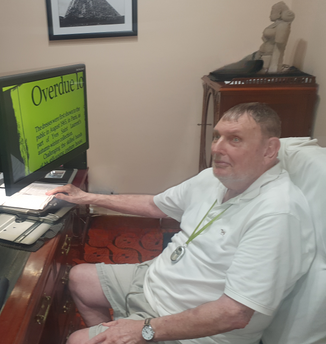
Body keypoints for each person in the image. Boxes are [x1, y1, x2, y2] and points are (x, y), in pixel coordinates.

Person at [46, 102, 315, 344]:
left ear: (270, 149)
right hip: (158, 280)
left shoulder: (278, 213)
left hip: (199, 329)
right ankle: (115, 332)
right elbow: (155, 205)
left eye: (235, 139)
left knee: (77, 340)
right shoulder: (213, 177)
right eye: (216, 136)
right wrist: (86, 197)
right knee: (79, 278)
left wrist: (142, 329)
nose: (217, 148)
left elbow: (235, 314)